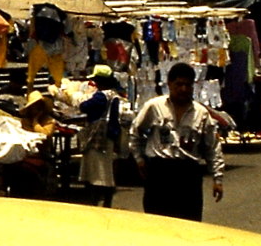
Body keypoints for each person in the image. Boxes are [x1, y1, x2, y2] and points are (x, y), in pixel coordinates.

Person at [130, 63, 224, 221]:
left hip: (188, 176)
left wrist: (218, 178)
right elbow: (135, 133)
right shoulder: (154, 107)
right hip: (159, 174)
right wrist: (139, 160)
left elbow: (212, 148)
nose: (183, 89)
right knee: (157, 225)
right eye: (179, 84)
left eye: (188, 85)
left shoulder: (201, 114)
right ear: (169, 84)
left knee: (188, 226)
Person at [76, 66, 123, 208]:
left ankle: (95, 200)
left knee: (98, 171)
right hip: (109, 135)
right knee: (106, 170)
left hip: (98, 137)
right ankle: (107, 200)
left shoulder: (101, 96)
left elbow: (84, 107)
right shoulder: (114, 95)